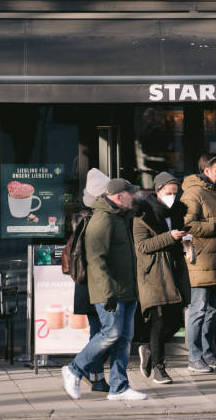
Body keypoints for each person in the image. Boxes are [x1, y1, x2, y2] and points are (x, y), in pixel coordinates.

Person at [62, 178, 147, 401]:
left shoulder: (119, 217)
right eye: (131, 194)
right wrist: (108, 292)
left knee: (123, 339)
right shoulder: (103, 220)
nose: (134, 198)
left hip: (127, 290)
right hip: (111, 292)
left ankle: (119, 387)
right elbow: (95, 260)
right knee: (111, 334)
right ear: (120, 196)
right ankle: (74, 369)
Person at [133, 171, 188, 385]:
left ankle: (148, 348)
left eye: (175, 192)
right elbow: (142, 247)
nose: (172, 196)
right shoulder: (143, 215)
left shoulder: (177, 212)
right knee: (159, 320)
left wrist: (186, 243)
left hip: (174, 273)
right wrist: (169, 237)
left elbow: (177, 238)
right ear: (157, 191)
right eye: (168, 192)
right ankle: (159, 368)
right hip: (153, 274)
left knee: (176, 320)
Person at [181, 153, 216, 373]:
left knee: (212, 311)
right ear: (206, 170)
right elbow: (188, 225)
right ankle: (194, 356)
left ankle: (207, 353)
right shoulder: (193, 193)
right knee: (198, 310)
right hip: (200, 260)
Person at [72, 168, 111, 393]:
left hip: (87, 284)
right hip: (94, 285)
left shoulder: (83, 217)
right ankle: (83, 368)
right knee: (105, 333)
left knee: (100, 332)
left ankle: (96, 378)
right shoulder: (93, 219)